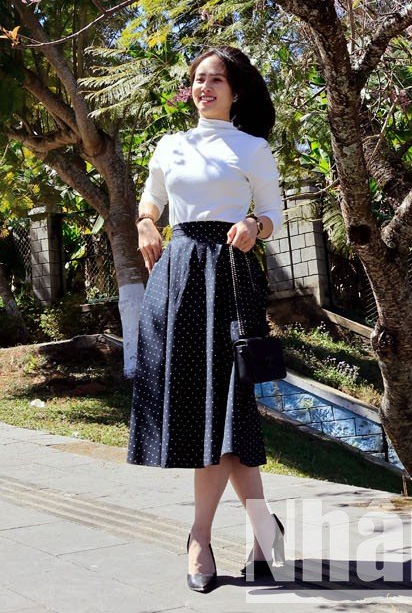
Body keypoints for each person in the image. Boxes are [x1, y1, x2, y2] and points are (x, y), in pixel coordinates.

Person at [127, 46, 286, 593]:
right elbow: (150, 203)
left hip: (232, 277)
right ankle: (264, 532)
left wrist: (253, 228)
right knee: (211, 413)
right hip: (179, 278)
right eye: (198, 79)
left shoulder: (252, 147)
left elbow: (273, 213)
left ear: (236, 91)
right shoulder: (170, 146)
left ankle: (200, 538)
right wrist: (147, 225)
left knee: (229, 408)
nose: (205, 87)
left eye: (217, 79)